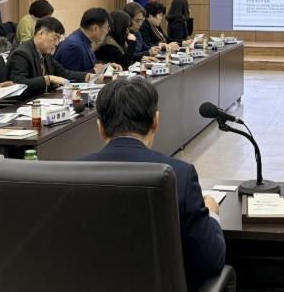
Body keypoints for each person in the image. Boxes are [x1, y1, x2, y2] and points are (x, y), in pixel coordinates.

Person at [77, 78, 225, 290]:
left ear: (100, 127)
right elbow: (210, 261)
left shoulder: (72, 173)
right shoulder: (179, 174)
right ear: (156, 121)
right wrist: (212, 215)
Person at [7, 17, 93, 100]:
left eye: (58, 40)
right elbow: (18, 84)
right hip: (23, 104)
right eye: (54, 38)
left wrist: (89, 76)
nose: (57, 44)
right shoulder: (21, 54)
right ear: (41, 34)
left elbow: (63, 73)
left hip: (42, 100)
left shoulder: (45, 53)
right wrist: (48, 79)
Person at [54, 7, 110, 73]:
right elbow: (68, 76)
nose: (107, 32)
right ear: (95, 29)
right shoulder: (74, 46)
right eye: (106, 28)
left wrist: (106, 67)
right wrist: (94, 71)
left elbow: (88, 66)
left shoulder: (83, 39)